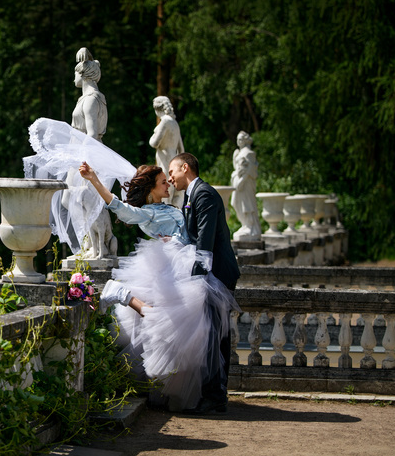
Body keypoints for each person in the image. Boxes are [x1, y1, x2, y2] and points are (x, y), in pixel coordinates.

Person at [79, 161, 239, 412]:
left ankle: (213, 393)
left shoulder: (172, 204)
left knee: (198, 331)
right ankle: (122, 294)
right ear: (151, 188)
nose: (169, 184)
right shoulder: (149, 212)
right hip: (182, 266)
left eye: (168, 177)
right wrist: (94, 180)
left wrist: (177, 241)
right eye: (163, 181)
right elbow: (121, 209)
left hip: (187, 263)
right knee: (181, 326)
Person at [168, 152, 241, 414]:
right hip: (210, 273)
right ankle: (213, 392)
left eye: (172, 171)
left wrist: (197, 280)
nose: (170, 178)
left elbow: (205, 243)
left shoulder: (204, 194)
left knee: (214, 334)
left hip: (217, 275)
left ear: (185, 168)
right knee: (210, 333)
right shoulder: (191, 196)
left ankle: (216, 395)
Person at [148, 96, 184, 208]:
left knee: (165, 192)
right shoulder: (174, 123)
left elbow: (154, 143)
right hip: (175, 161)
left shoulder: (165, 122)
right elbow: (181, 149)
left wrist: (154, 133)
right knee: (172, 192)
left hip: (165, 161)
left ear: (157, 109)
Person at [230, 131, 262, 241]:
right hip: (238, 182)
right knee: (236, 203)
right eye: (237, 139)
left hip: (246, 183)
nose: (238, 141)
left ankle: (250, 226)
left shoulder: (249, 153)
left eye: (240, 139)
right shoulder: (238, 153)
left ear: (245, 140)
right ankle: (245, 225)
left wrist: (242, 181)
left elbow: (251, 170)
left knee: (247, 204)